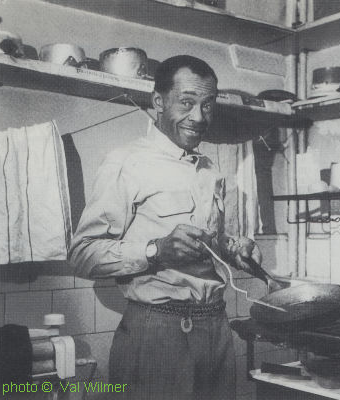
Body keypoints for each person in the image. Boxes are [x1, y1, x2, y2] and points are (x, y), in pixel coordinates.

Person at [70, 55, 262, 400]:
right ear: (158, 102)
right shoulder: (126, 162)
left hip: (216, 328)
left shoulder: (208, 168)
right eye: (186, 103)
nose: (199, 117)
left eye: (207, 105)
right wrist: (155, 251)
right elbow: (82, 255)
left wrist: (233, 248)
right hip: (158, 330)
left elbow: (206, 244)